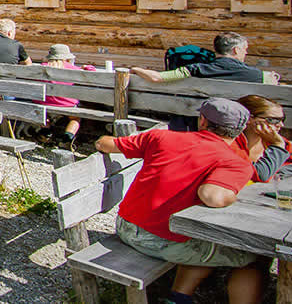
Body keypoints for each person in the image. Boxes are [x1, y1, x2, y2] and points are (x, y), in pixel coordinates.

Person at [95, 99, 266, 304]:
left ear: (202, 120)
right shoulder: (236, 163)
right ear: (239, 132)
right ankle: (179, 298)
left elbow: (104, 143)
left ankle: (180, 297)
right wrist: (233, 195)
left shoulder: (161, 137)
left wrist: (102, 142)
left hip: (126, 226)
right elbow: (212, 196)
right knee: (256, 257)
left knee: (205, 239)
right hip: (166, 243)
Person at [131, 32, 267, 84]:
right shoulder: (256, 75)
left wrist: (136, 69)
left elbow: (157, 77)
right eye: (245, 49)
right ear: (236, 50)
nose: (246, 53)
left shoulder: (197, 69)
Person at [234, 94, 292, 182]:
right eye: (273, 120)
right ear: (249, 119)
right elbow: (261, 175)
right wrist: (278, 145)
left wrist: (275, 172)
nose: (281, 125)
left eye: (282, 119)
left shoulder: (268, 140)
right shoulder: (232, 143)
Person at [36, 44, 86, 145]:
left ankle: (46, 131)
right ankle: (67, 137)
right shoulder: (73, 69)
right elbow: (91, 73)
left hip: (43, 102)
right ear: (66, 58)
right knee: (75, 118)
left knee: (43, 112)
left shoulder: (42, 67)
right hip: (66, 104)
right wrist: (86, 67)